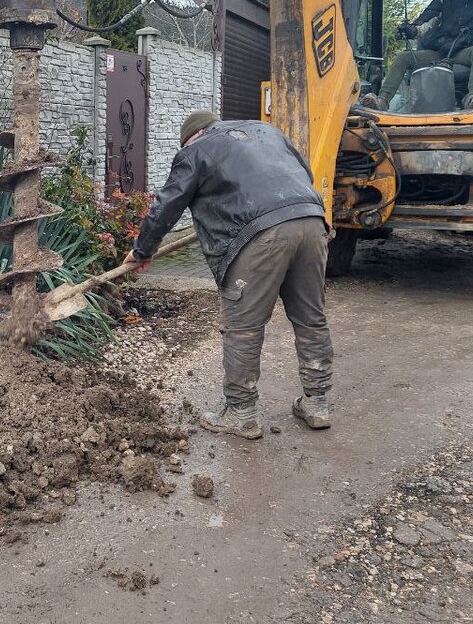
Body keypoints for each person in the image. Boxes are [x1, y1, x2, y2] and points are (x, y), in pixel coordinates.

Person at [124, 110, 334, 441]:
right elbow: (302, 173)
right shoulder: (267, 131)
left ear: (192, 135)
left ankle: (241, 413)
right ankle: (318, 403)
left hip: (260, 235)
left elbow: (166, 205)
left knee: (244, 328)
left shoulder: (195, 150)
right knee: (311, 319)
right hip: (311, 220)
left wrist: (142, 250)